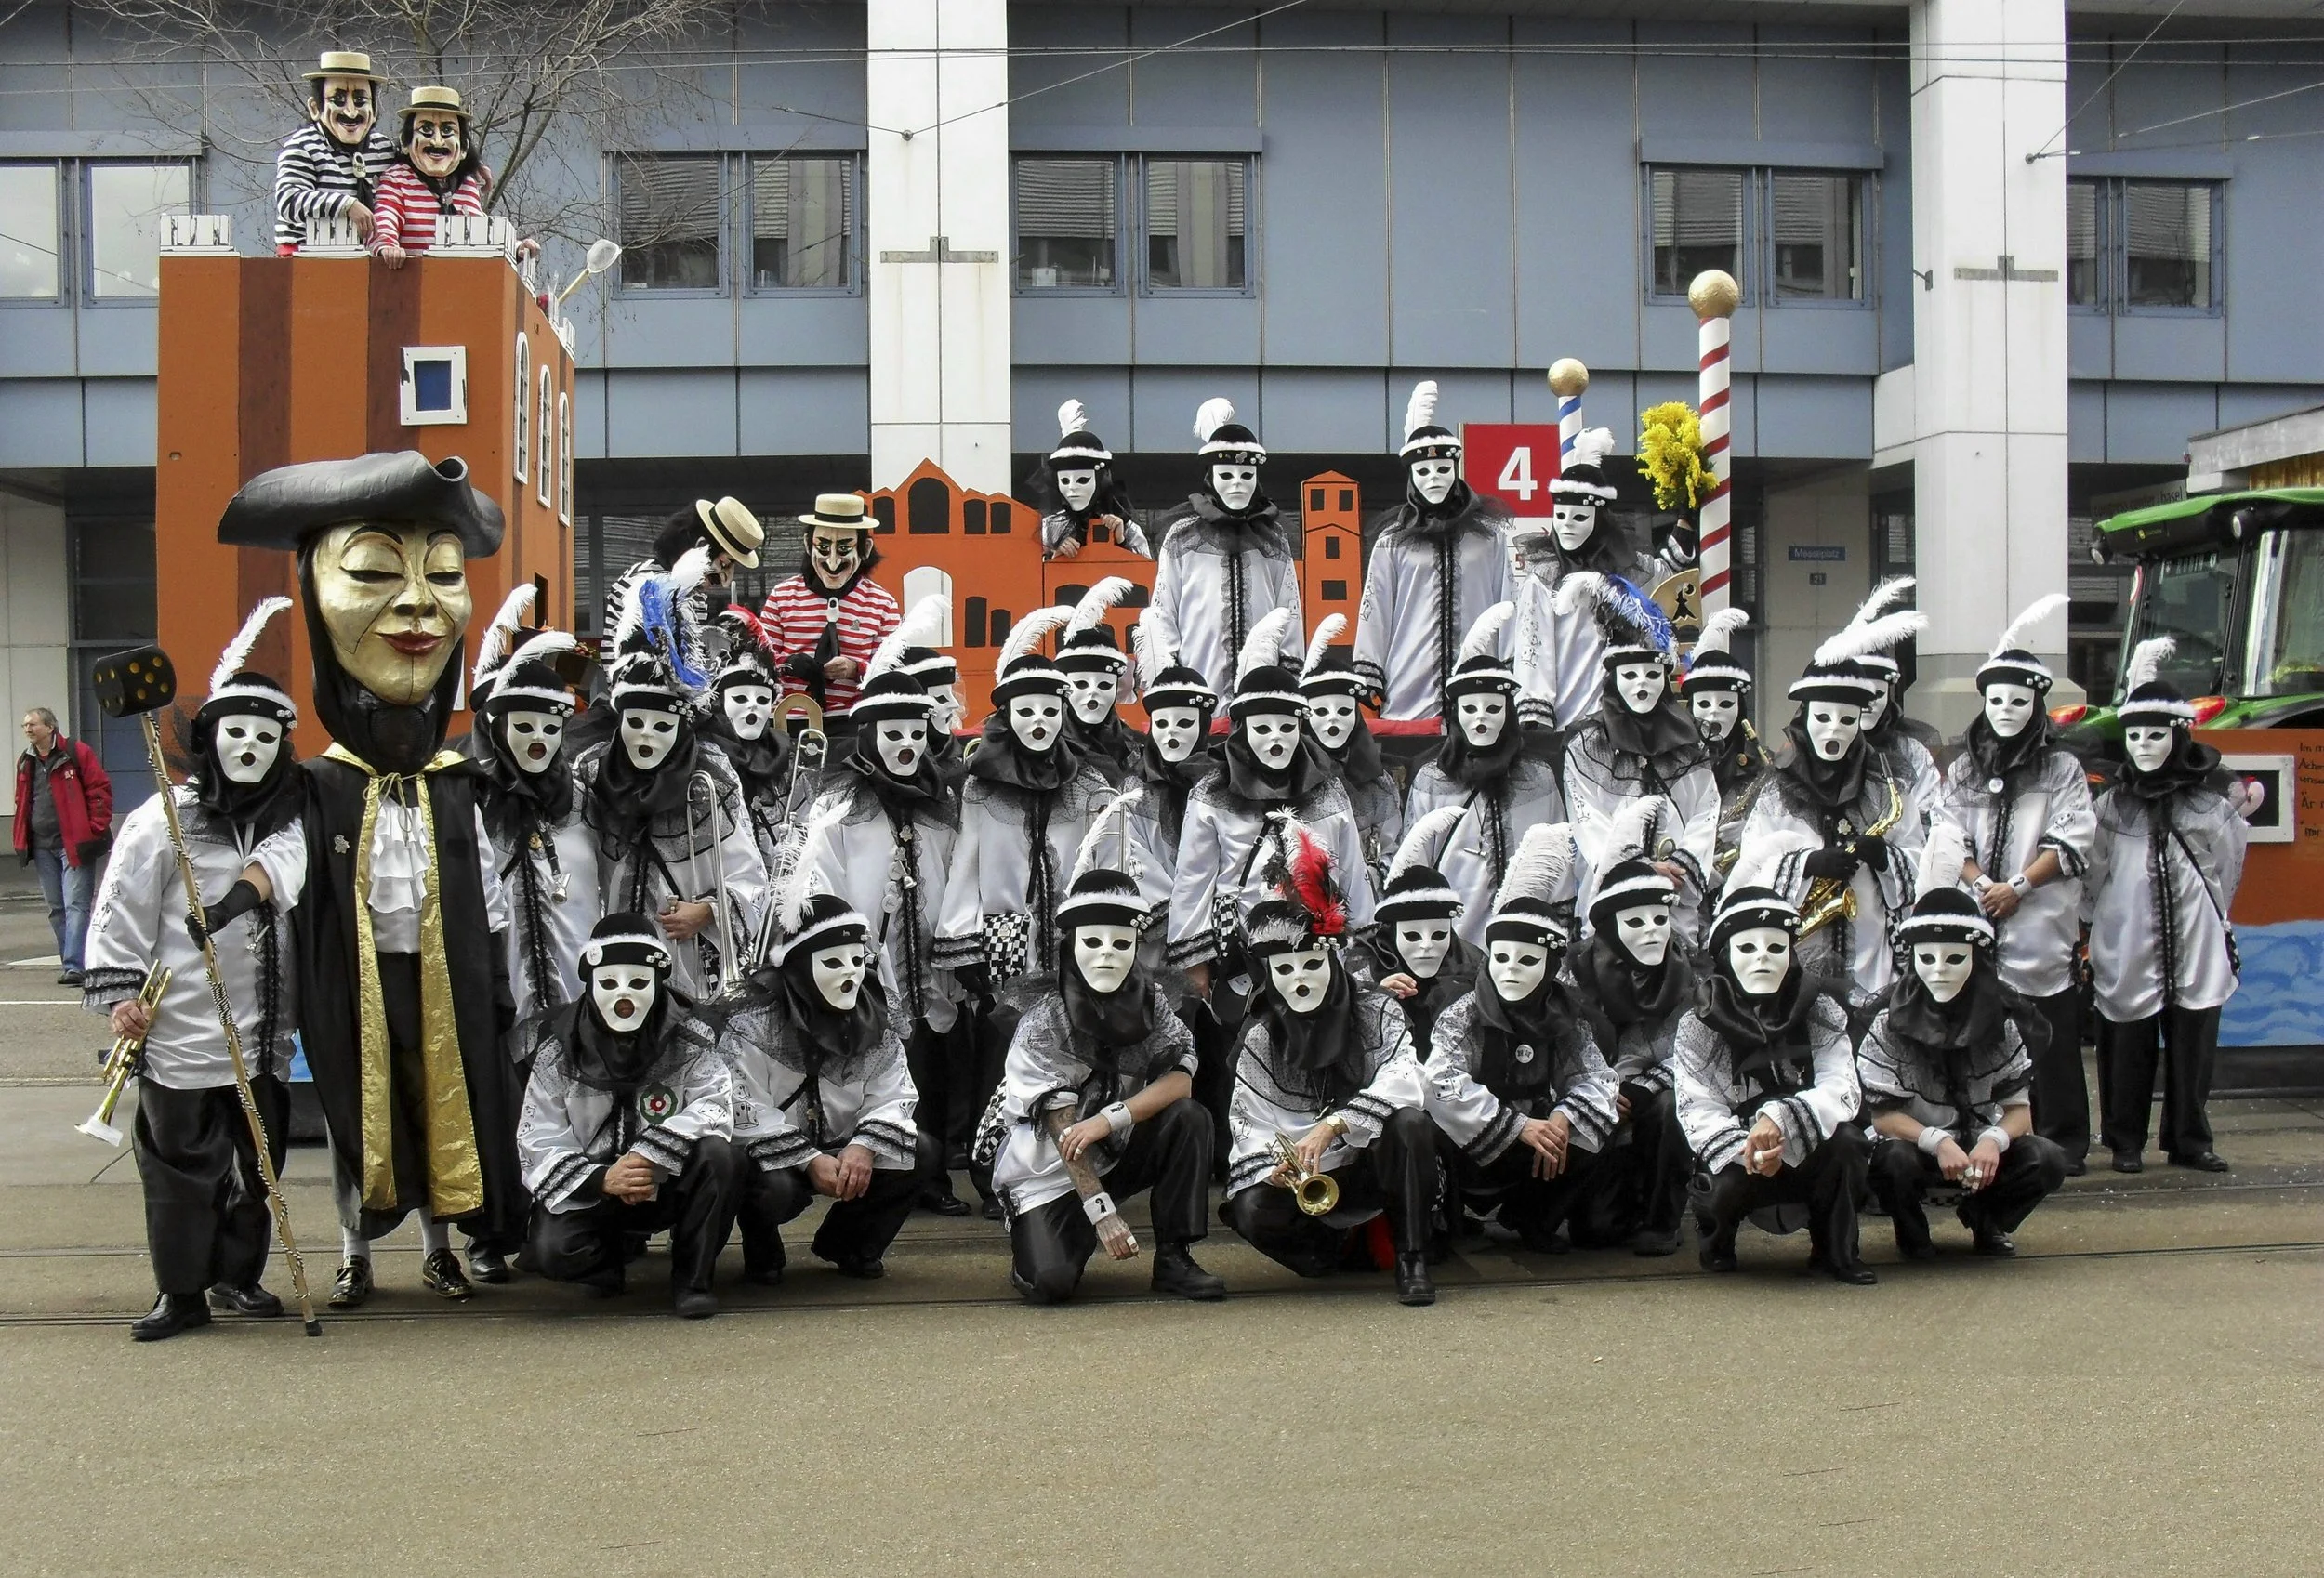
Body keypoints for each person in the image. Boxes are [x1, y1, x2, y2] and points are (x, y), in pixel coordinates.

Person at [217, 452, 523, 1309]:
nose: (420, 603)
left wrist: (498, 973)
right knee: (362, 1112)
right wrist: (239, 896)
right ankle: (355, 1250)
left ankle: (439, 1248)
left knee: (441, 1104)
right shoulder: (321, 785)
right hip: (352, 977)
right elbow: (284, 862)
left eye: (444, 574)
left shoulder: (456, 781)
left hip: (444, 975)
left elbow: (488, 885)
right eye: (372, 571)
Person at [81, 600, 306, 1339]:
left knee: (257, 1168)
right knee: (180, 1172)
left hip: (264, 1035)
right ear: (210, 742)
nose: (249, 746)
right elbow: (119, 905)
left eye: (264, 736)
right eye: (235, 733)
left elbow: (288, 880)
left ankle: (238, 1278)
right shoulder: (163, 819)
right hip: (181, 1032)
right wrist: (119, 994)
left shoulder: (292, 820)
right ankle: (179, 1292)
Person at [977, 794, 1223, 1303]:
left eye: (1120, 942)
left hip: (1116, 1146)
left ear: (1136, 947)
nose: (1107, 955)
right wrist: (1100, 1212)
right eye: (1093, 942)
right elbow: (1063, 1131)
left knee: (1190, 1118)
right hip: (1052, 1171)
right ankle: (1051, 1238)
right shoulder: (1045, 1021)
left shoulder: (1152, 1004)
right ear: (1071, 946)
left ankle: (1175, 1256)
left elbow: (1181, 1078)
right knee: (1050, 1285)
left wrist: (1111, 1120)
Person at [1168, 609, 1377, 1152]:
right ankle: (1235, 1153)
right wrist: (1196, 965)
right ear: (1242, 730)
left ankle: (1318, 1146)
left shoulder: (1328, 791)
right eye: (1262, 728)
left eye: (1287, 727)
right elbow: (1193, 880)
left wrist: (1360, 946)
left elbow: (1350, 869)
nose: (1275, 738)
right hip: (1241, 946)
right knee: (1237, 1047)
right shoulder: (1211, 794)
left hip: (1317, 942)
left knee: (1316, 1041)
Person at [934, 606, 1114, 1216]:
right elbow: (967, 865)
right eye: (1026, 711)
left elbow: (1104, 862)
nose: (1038, 722)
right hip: (1007, 944)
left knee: (1073, 1054)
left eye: (1049, 711)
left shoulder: (1088, 785)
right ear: (1007, 715)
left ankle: (1070, 1168)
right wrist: (964, 946)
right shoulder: (981, 786)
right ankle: (994, 1173)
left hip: (1074, 947)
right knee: (1004, 1056)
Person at [1221, 823, 1437, 1307]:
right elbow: (1247, 1121)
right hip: (1307, 1177)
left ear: (1335, 964)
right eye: (1286, 970)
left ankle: (1412, 1256)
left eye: (1311, 966)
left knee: (1411, 1125)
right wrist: (1273, 1168)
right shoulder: (1260, 1036)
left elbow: (1406, 1079)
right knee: (1251, 1207)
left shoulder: (1377, 1009)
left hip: (1370, 1165)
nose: (1299, 980)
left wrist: (1333, 1127)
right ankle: (1331, 1251)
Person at [803, 603, 964, 1215]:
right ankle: (866, 1177)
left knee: (935, 1058)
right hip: (865, 964)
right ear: (869, 735)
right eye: (892, 734)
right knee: (877, 1066)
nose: (905, 746)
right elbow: (819, 885)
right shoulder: (838, 808)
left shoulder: (941, 802)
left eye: (915, 735)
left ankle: (932, 1176)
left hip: (932, 965)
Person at [1937, 594, 2097, 1174]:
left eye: (2018, 701)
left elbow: (2073, 839)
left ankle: (2065, 1139)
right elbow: (1949, 832)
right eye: (1996, 700)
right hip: (1981, 916)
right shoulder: (1963, 767)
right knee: (1984, 1033)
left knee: (2049, 1035)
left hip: (2038, 925)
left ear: (2037, 705)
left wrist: (2018, 889)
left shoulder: (2062, 770)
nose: (2006, 710)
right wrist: (1982, 885)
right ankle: (1989, 1134)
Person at [464, 592, 593, 1283]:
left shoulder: (583, 807)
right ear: (497, 726)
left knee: (575, 1110)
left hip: (578, 995)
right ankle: (492, 1233)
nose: (540, 737)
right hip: (501, 993)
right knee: (499, 1114)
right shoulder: (471, 807)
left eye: (551, 724)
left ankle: (576, 1225)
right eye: (524, 724)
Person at [518, 916, 737, 1318]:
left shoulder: (691, 1038)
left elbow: (716, 1106)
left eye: (638, 983)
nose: (624, 996)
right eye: (609, 983)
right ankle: (608, 1262)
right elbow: (537, 1137)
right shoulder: (556, 1051)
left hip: (667, 1178)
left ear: (658, 983)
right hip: (596, 1189)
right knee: (554, 1252)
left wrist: (649, 1155)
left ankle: (693, 1279)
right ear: (589, 983)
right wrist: (603, 1179)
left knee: (719, 1155)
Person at [719, 884, 936, 1284]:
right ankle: (760, 1240)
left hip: (845, 1147)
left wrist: (864, 1147)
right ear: (798, 965)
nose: (851, 972)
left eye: (857, 959)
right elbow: (742, 1108)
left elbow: (894, 1095)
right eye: (833, 962)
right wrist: (808, 1160)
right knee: (770, 1188)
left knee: (918, 1150)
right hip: (781, 1157)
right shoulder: (751, 1026)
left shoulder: (873, 1021)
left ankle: (850, 1243)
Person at [2088, 639, 2248, 1175]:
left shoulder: (2209, 804)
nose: (2143, 745)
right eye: (2133, 735)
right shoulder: (2111, 803)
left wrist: (2211, 917)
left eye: (2156, 735)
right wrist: (2092, 928)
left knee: (2194, 1042)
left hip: (2197, 939)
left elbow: (2227, 870)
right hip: (2127, 936)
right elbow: (2095, 870)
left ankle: (2190, 1139)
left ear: (2178, 736)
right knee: (2127, 1040)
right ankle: (2125, 1140)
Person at [1423, 823, 1620, 1256]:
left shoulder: (1567, 1015)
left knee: (1599, 1127)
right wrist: (1517, 1127)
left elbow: (1596, 1077)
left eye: (1527, 960)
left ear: (1550, 967)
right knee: (1423, 1129)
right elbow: (1441, 1082)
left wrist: (1564, 1119)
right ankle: (1444, 1222)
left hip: (1536, 1142)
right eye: (1502, 958)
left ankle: (1535, 1217)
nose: (1511, 969)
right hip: (1471, 1146)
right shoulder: (1464, 1011)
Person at [1860, 863, 2070, 1260]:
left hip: (1979, 1153)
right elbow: (1882, 1117)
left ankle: (1985, 1218)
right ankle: (1911, 1231)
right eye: (1928, 958)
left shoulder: (2003, 1022)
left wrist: (1994, 1140)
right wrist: (1936, 1141)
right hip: (1916, 1149)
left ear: (1977, 957)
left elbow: (2020, 1113)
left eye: (1954, 958)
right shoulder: (1888, 1023)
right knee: (1891, 1160)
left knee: (2046, 1158)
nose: (1939, 970)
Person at [1733, 603, 1930, 1014]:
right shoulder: (1776, 788)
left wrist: (1887, 858)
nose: (1834, 729)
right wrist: (1805, 865)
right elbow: (1747, 875)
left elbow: (1918, 861)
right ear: (1803, 716)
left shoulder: (1887, 783)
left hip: (1872, 955)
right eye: (1823, 717)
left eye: (1847, 719)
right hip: (1794, 956)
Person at [1674, 885, 1875, 1284]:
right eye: (1747, 948)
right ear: (1725, 956)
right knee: (1722, 1182)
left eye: (1775, 947)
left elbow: (1842, 1086)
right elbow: (1696, 1107)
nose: (1762, 957)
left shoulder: (1820, 1008)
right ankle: (1718, 1240)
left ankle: (1835, 1250)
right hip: (1740, 1154)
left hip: (1808, 1142)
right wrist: (1753, 1151)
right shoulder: (1699, 1022)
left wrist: (1781, 1120)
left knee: (1849, 1144)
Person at [574, 626, 767, 1001]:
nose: (646, 736)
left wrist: (709, 911)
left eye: (662, 726)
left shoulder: (709, 779)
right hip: (610, 960)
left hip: (688, 960)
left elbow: (749, 875)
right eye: (635, 722)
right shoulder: (593, 773)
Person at [1555, 572, 1719, 945]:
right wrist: (1635, 868)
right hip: (1609, 897)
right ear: (1613, 679)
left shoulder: (1690, 744)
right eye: (1630, 674)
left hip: (1675, 901)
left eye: (1651, 674)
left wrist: (1677, 869)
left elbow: (1704, 812)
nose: (1642, 684)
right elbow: (1588, 822)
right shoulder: (1587, 744)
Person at [1404, 602, 1568, 947]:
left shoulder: (1537, 778)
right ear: (1456, 714)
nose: (1481, 718)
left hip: (1526, 938)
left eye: (1493, 708)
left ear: (1508, 713)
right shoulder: (1433, 779)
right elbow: (1416, 863)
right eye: (1470, 708)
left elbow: (1558, 858)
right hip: (1451, 940)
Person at [1352, 381, 1516, 721]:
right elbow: (1375, 608)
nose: (1434, 478)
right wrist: (1370, 668)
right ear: (1412, 476)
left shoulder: (1489, 538)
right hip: (1410, 685)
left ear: (1455, 470)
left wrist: (1512, 660)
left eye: (1442, 469)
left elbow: (1508, 602)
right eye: (1423, 471)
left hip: (1480, 684)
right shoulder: (1392, 542)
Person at [1512, 426, 1690, 729]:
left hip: (1625, 720)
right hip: (1567, 720)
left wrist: (1688, 511)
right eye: (1561, 516)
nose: (1567, 526)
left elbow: (1666, 574)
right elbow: (1533, 651)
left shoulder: (1627, 569)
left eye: (1579, 516)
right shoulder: (1542, 579)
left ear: (1600, 519)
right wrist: (1537, 723)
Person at [1568, 846, 1697, 1256]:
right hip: (1591, 1106)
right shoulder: (1573, 973)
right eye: (1636, 922)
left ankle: (1663, 1217)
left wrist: (1642, 1088)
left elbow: (1702, 1054)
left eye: (1661, 920)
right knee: (1596, 1231)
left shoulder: (1686, 972)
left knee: (1670, 1105)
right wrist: (1599, 1092)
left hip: (1652, 1101)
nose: (1653, 933)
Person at [1145, 398, 1302, 697]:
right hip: (1198, 674)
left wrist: (1289, 667)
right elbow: (1165, 608)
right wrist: (1168, 670)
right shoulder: (1182, 536)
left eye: (1246, 476)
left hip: (1263, 679)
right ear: (1211, 477)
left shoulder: (1274, 537)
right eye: (1226, 476)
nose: (1237, 484)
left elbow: (1289, 609)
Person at [758, 493, 900, 726]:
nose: (832, 562)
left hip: (853, 723)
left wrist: (856, 669)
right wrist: (789, 663)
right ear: (807, 544)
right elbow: (759, 662)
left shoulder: (882, 603)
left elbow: (893, 671)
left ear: (864, 549)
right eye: (823, 547)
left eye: (844, 549)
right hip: (787, 720)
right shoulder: (782, 596)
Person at [601, 498, 764, 690]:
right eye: (724, 564)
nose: (724, 582)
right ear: (701, 548)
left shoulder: (693, 593)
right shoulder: (647, 585)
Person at [1353, 806, 1475, 1059]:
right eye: (1412, 935)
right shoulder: (1365, 965)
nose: (1427, 946)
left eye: (1439, 934)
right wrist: (1377, 997)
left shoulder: (1472, 964)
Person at [1301, 613, 1402, 890]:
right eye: (1321, 711)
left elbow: (1391, 849)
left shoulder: (1378, 784)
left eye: (1343, 710)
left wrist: (1372, 878)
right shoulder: (1289, 778)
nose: (1333, 719)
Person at [15, 704, 112, 987]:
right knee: (56, 907)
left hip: (75, 843)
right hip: (42, 845)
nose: (28, 730)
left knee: (76, 905)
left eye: (32, 724)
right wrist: (22, 837)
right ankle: (70, 960)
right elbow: (22, 801)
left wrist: (94, 829)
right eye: (25, 726)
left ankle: (74, 965)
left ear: (49, 727)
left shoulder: (76, 753)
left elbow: (100, 790)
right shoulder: (27, 760)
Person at [1679, 607, 1769, 905]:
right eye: (1704, 703)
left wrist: (1750, 836)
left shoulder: (1763, 765)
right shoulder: (1671, 763)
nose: (1715, 711)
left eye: (1725, 703)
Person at [698, 606, 792, 873]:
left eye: (762, 699)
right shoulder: (700, 756)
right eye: (740, 698)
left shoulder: (784, 755)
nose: (752, 707)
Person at [272, 49, 395, 254]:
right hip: (307, 256)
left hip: (368, 258)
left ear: (374, 109)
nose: (350, 111)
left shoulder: (383, 149)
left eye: (360, 100)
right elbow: (289, 200)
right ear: (315, 108)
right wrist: (345, 205)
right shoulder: (302, 146)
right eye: (338, 99)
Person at [371, 86, 493, 264]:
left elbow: (484, 233)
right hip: (413, 281)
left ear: (464, 148)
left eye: (448, 132)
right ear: (406, 142)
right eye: (426, 130)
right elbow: (385, 217)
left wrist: (517, 248)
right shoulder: (397, 179)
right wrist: (387, 246)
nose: (437, 141)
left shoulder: (467, 185)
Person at [1054, 576, 1142, 787]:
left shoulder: (1135, 748)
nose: (1093, 693)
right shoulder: (1046, 744)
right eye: (1081, 684)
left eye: (1104, 685)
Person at [1036, 400, 1150, 559]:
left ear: (1100, 479)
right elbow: (1028, 575)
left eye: (1082, 480)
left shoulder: (1128, 528)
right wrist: (1055, 556)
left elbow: (1148, 576)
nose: (1072, 488)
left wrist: (1121, 541)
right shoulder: (1048, 529)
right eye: (1065, 481)